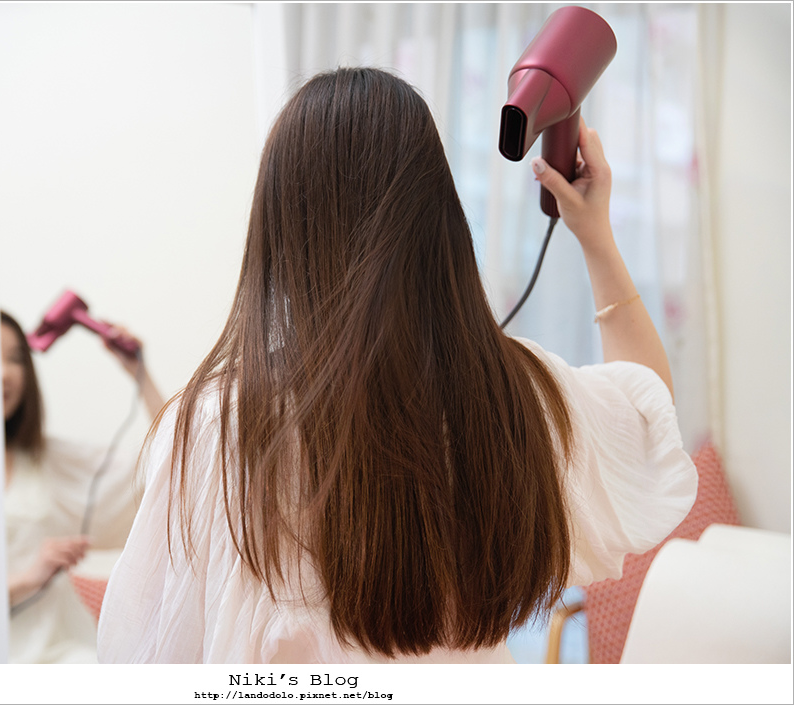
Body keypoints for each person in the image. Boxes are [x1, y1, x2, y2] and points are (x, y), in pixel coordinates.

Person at [96, 68, 697, 663]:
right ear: (440, 216)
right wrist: (595, 235)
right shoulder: (514, 398)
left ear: (281, 228)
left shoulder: (220, 427)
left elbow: (144, 653)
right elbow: (647, 419)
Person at [0, 310, 165, 663]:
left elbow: (171, 461)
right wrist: (29, 577)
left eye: (14, 359)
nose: (4, 373)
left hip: (64, 651)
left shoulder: (46, 459)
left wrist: (139, 373)